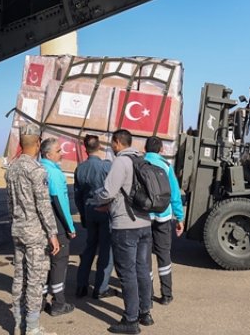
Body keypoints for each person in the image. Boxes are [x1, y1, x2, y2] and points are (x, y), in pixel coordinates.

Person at [90, 130, 154, 334]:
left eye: (112, 143)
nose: (111, 147)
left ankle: (130, 320)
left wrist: (97, 196)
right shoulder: (141, 160)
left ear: (118, 142)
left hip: (125, 226)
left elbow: (108, 191)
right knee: (142, 270)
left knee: (127, 274)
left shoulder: (121, 161)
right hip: (145, 223)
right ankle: (145, 313)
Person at [6, 133, 62, 335]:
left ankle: (18, 324)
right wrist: (52, 233)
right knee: (35, 280)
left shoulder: (11, 168)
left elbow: (10, 204)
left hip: (18, 230)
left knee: (19, 278)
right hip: (35, 234)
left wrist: (17, 223)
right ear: (38, 144)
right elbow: (43, 206)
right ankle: (32, 328)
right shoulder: (37, 170)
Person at [143, 136, 184, 305]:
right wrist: (179, 217)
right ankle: (166, 295)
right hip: (163, 216)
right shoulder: (166, 166)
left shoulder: (139, 163)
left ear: (145, 149)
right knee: (163, 255)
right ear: (161, 150)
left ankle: (147, 294)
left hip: (143, 217)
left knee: (144, 257)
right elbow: (174, 194)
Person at [74, 135, 116, 300]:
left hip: (89, 210)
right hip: (105, 212)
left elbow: (77, 195)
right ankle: (101, 288)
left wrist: (83, 214)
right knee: (106, 250)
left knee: (90, 247)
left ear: (85, 148)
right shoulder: (107, 166)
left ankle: (81, 286)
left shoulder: (80, 168)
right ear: (99, 147)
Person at [39, 139, 77, 316]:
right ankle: (59, 303)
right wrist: (70, 226)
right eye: (58, 150)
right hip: (57, 226)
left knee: (46, 265)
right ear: (48, 154)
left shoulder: (39, 168)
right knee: (59, 263)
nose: (62, 153)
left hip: (41, 226)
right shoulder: (53, 173)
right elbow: (59, 201)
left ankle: (40, 301)